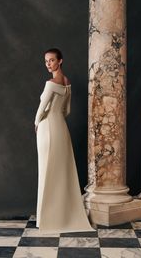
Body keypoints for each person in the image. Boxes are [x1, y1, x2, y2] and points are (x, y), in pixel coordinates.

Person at [34, 48, 95, 233]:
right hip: (61, 127)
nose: (48, 64)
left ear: (60, 61)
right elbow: (66, 111)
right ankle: (61, 215)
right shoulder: (67, 82)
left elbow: (41, 109)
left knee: (46, 171)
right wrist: (55, 116)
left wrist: (37, 123)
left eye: (51, 60)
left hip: (47, 126)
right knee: (61, 172)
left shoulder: (51, 83)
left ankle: (47, 219)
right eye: (46, 61)